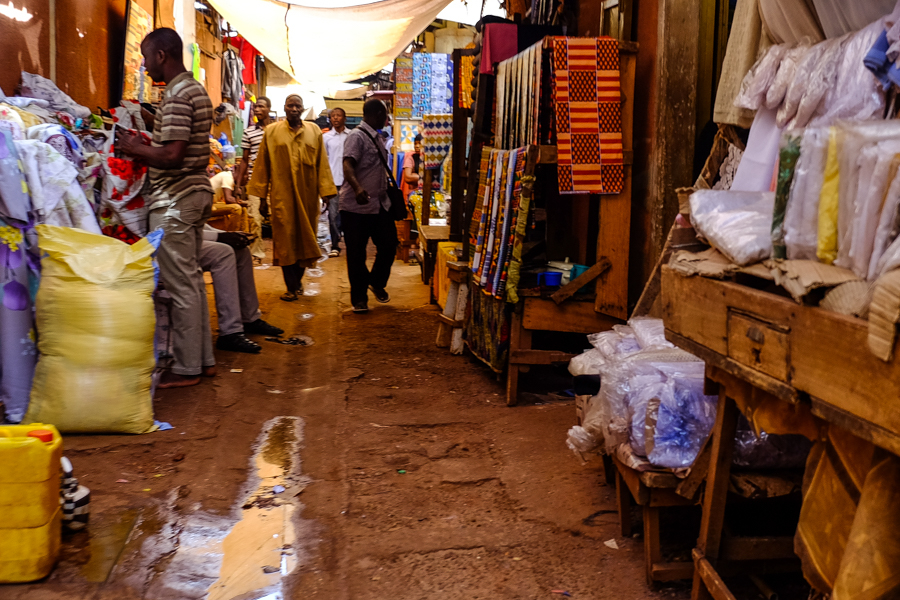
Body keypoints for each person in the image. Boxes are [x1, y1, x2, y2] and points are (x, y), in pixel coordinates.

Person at [117, 27, 215, 389]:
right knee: (190, 280)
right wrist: (150, 124)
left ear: (161, 56)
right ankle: (201, 361)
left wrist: (134, 148)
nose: (143, 66)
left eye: (145, 57)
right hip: (193, 194)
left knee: (181, 284)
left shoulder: (175, 95)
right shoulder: (193, 90)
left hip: (176, 198)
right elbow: (179, 141)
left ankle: (188, 367)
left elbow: (172, 155)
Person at [247, 94, 337, 301]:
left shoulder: (314, 131)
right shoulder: (271, 132)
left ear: (302, 109)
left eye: (298, 106)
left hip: (307, 197)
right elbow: (262, 166)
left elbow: (322, 163)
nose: (294, 109)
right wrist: (261, 198)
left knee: (306, 239)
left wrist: (327, 193)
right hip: (281, 197)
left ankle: (297, 282)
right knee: (285, 240)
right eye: (290, 106)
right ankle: (291, 286)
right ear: (284, 108)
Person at [340, 99, 398, 314]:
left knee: (389, 245)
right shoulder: (356, 136)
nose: (387, 119)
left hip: (379, 205)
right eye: (385, 115)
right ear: (376, 114)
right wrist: (357, 188)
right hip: (356, 207)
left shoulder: (378, 137)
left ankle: (375, 281)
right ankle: (359, 299)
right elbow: (347, 164)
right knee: (356, 254)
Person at [200, 227, 284, 353]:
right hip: (171, 243)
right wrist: (219, 237)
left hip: (187, 237)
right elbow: (175, 228)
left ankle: (249, 318)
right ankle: (229, 332)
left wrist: (228, 234)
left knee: (241, 251)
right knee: (223, 252)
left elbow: (196, 223)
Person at [234, 96, 271, 261]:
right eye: (255, 107)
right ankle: (257, 253)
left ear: (269, 109)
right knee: (255, 219)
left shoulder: (277, 130)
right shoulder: (248, 132)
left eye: (261, 107)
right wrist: (238, 184)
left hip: (276, 181)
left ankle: (282, 255)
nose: (257, 110)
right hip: (255, 180)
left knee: (280, 219)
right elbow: (244, 160)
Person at [322, 107, 350, 258]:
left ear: (344, 118)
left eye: (339, 115)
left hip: (348, 182)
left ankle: (350, 242)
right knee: (332, 215)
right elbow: (324, 161)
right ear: (330, 119)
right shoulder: (326, 138)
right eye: (333, 116)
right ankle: (335, 244)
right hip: (332, 181)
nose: (336, 118)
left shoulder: (351, 136)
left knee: (347, 214)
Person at [401, 133, 422, 200]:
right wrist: (423, 178)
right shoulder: (411, 158)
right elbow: (408, 177)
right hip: (415, 192)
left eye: (420, 143)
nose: (417, 146)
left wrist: (415, 176)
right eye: (415, 144)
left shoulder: (430, 159)